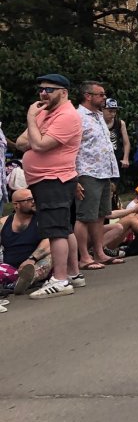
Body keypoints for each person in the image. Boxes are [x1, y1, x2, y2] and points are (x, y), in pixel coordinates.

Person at [15, 73, 82, 299]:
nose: (43, 93)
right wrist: (36, 130)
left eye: (49, 89)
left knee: (55, 231)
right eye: (41, 89)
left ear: (63, 92)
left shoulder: (67, 115)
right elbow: (22, 141)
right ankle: (73, 273)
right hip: (44, 179)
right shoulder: (44, 113)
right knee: (63, 227)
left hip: (54, 179)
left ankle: (60, 279)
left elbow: (40, 144)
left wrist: (31, 120)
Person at [74, 80, 122, 270]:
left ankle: (99, 252)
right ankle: (84, 257)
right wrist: (74, 176)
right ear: (88, 96)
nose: (104, 97)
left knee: (101, 215)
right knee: (85, 215)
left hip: (104, 171)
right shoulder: (78, 116)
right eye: (100, 94)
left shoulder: (98, 115)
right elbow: (72, 147)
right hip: (88, 171)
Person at [0, 188, 52, 295]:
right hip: (11, 268)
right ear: (16, 205)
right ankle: (19, 281)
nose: (33, 201)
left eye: (33, 198)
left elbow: (49, 241)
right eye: (28, 199)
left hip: (36, 264)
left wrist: (32, 259)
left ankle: (27, 280)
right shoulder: (3, 222)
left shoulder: (42, 219)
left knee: (53, 254)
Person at [103, 98, 131, 177]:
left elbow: (126, 143)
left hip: (116, 158)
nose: (113, 114)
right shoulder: (97, 123)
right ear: (102, 109)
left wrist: (125, 158)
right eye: (110, 111)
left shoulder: (120, 123)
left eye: (115, 111)